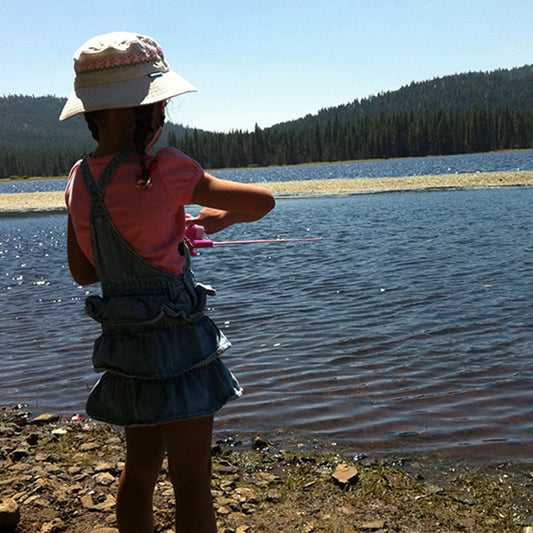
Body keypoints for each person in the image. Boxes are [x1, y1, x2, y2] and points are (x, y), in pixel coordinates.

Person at [60, 32, 275, 533]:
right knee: (191, 476)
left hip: (126, 345)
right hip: (180, 340)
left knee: (139, 472)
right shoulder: (168, 167)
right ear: (141, 112)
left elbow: (85, 272)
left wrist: (179, 228)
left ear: (94, 112)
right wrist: (217, 218)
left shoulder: (77, 178)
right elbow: (262, 201)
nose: (162, 117)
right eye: (158, 106)